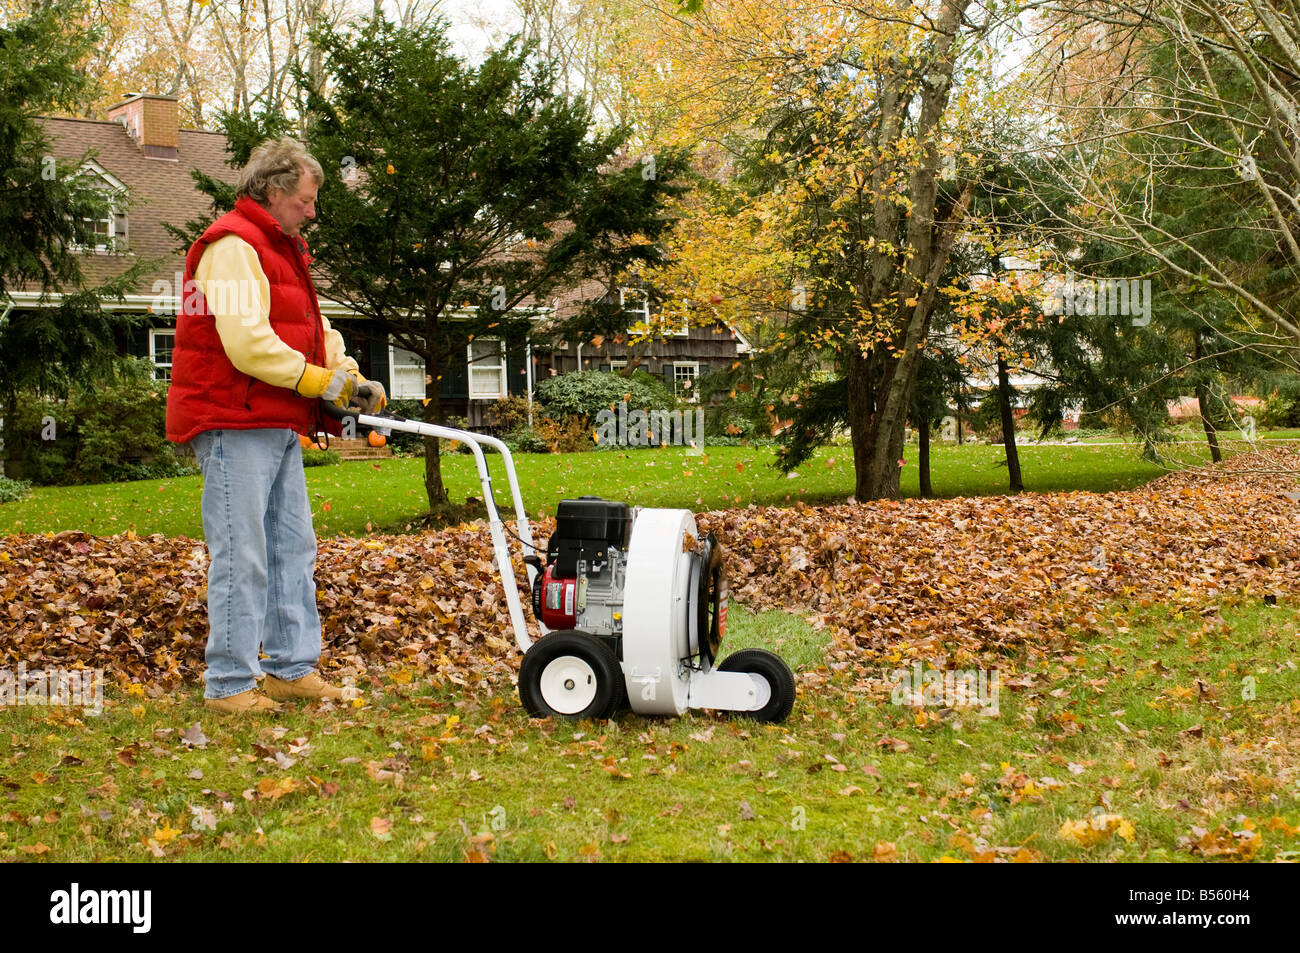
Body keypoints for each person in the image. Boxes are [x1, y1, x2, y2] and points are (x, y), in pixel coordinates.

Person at [166, 138, 386, 714]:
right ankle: (230, 684)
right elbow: (249, 346)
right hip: (231, 419)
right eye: (306, 201)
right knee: (243, 552)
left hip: (275, 418)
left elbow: (312, 329)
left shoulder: (282, 249)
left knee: (293, 545)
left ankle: (290, 668)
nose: (312, 212)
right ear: (274, 190)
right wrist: (321, 384)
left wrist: (349, 374)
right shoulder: (233, 246)